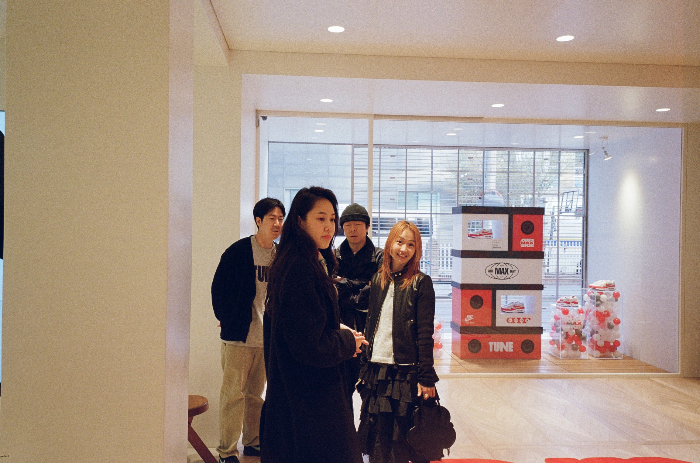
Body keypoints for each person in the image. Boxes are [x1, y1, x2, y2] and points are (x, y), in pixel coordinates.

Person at [261, 186, 366, 463]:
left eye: (332, 219)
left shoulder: (311, 260)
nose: (329, 227)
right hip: (309, 401)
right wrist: (348, 342)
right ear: (300, 221)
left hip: (306, 396)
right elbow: (311, 346)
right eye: (320, 218)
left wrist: (338, 329)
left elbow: (305, 324)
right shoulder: (299, 267)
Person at [357, 220, 438, 463]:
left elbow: (425, 332)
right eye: (399, 242)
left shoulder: (421, 283)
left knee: (401, 437)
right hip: (377, 369)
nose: (404, 249)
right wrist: (365, 364)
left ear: (417, 250)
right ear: (390, 244)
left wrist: (426, 375)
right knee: (377, 436)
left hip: (405, 372)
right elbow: (371, 323)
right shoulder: (378, 279)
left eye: (411, 245)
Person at [211, 197, 285, 463]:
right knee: (233, 396)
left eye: (281, 218)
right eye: (272, 218)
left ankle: (252, 442)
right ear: (258, 221)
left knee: (256, 396)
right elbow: (218, 288)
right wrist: (226, 317)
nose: (277, 224)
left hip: (267, 338)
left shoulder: (281, 255)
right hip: (239, 338)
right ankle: (226, 451)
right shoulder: (239, 251)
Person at [334, 203, 383, 410]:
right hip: (341, 328)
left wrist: (344, 283)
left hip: (372, 330)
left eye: (358, 224)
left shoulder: (380, 257)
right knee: (340, 391)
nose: (353, 229)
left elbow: (378, 291)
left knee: (372, 390)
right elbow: (330, 289)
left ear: (367, 227)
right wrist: (364, 284)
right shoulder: (334, 256)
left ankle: (368, 429)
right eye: (348, 225)